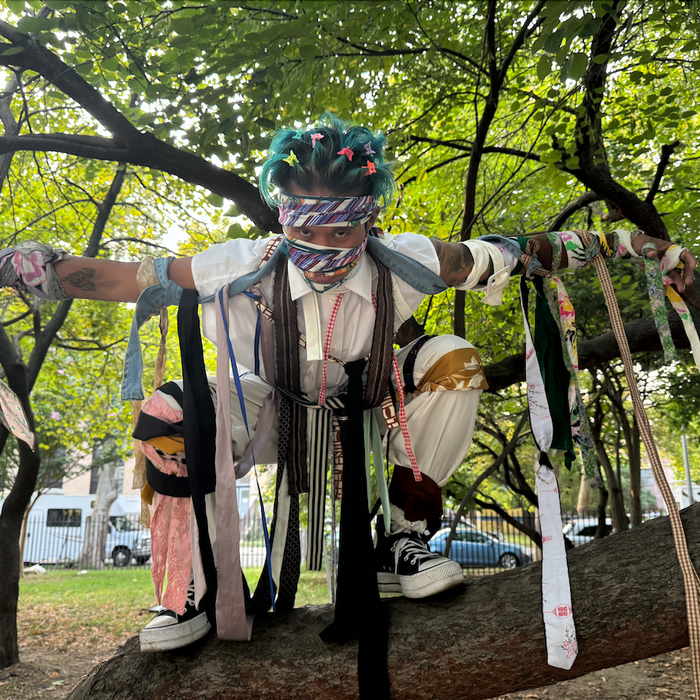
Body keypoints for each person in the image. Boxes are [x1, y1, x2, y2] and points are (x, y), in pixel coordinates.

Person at [2, 116, 696, 662]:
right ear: (281, 218)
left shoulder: (409, 261)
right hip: (263, 412)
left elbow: (517, 250)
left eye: (346, 228)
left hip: (368, 414)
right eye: (308, 228)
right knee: (166, 413)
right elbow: (127, 277)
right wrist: (34, 268)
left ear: (372, 219)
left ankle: (401, 539)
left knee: (455, 357)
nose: (327, 246)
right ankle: (190, 590)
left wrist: (630, 245)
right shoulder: (235, 266)